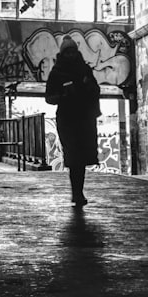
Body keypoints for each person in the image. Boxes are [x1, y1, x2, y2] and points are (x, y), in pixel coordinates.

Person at [45, 36, 101, 206]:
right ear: (63, 53)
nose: (70, 55)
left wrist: (86, 86)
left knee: (81, 158)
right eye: (67, 52)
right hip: (68, 119)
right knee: (74, 156)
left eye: (72, 51)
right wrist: (63, 95)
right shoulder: (57, 73)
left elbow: (96, 90)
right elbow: (49, 97)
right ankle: (77, 192)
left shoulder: (84, 70)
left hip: (84, 118)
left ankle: (78, 191)